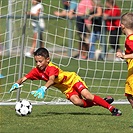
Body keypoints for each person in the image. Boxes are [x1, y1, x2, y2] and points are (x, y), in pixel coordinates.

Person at [9, 47, 122, 116]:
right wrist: (16, 83)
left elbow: (52, 79)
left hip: (73, 80)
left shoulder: (51, 68)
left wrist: (44, 88)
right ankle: (102, 101)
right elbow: (24, 78)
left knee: (87, 95)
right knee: (78, 103)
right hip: (66, 89)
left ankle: (112, 109)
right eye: (36, 61)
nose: (38, 64)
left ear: (47, 60)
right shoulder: (36, 70)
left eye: (40, 61)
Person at [116, 13, 133, 109]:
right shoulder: (130, 38)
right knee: (129, 96)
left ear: (122, 26)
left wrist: (124, 56)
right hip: (130, 72)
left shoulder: (130, 39)